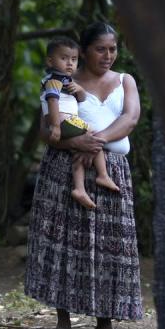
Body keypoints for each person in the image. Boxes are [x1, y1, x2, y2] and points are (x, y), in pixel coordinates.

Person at [25, 22, 143, 329]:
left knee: (111, 246)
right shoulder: (63, 82)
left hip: (112, 171)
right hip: (65, 168)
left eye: (113, 49)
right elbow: (48, 130)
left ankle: (105, 324)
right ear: (83, 51)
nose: (108, 55)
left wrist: (96, 141)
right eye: (100, 49)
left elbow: (130, 118)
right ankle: (63, 322)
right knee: (65, 243)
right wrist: (79, 144)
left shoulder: (124, 80)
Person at [40, 36, 120, 210]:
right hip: (63, 121)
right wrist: (54, 126)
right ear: (50, 61)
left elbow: (80, 99)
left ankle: (79, 189)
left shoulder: (67, 81)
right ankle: (103, 174)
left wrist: (81, 90)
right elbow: (52, 102)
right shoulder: (53, 80)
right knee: (94, 134)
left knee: (79, 153)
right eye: (64, 58)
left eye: (73, 59)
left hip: (68, 122)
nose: (69, 63)